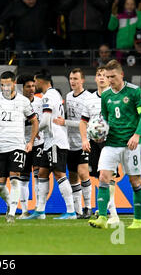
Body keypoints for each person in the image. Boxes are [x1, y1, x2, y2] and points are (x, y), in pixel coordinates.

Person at [89, 60, 141, 229]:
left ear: (121, 75)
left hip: (131, 144)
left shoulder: (134, 91)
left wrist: (137, 135)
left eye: (113, 77)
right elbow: (106, 119)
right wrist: (100, 134)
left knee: (135, 181)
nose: (110, 80)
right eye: (107, 77)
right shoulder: (106, 95)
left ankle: (137, 221)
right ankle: (102, 217)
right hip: (111, 143)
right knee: (103, 178)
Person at [0, 71, 39, 223]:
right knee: (0, 185)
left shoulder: (23, 101)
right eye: (2, 85)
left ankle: (12, 213)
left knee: (15, 179)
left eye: (7, 84)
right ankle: (9, 204)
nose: (5, 87)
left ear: (14, 84)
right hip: (0, 147)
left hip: (17, 145)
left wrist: (31, 141)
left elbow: (34, 121)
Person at [27, 69, 76, 220]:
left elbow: (47, 120)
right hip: (50, 142)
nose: (34, 85)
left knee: (59, 173)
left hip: (55, 141)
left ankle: (71, 211)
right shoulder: (55, 94)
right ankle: (40, 211)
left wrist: (35, 131)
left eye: (35, 82)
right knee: (42, 173)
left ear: (41, 81)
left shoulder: (48, 96)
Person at [80, 66, 120, 226]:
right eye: (99, 75)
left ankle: (113, 214)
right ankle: (105, 209)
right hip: (93, 143)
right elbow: (83, 122)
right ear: (95, 78)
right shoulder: (89, 99)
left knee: (108, 176)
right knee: (100, 177)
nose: (102, 78)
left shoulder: (115, 96)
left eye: (105, 75)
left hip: (111, 142)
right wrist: (84, 139)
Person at [53, 68, 92, 218]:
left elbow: (86, 123)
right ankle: (78, 210)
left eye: (76, 79)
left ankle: (88, 207)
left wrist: (65, 123)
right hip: (70, 143)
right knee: (73, 177)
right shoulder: (68, 96)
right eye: (70, 79)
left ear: (82, 80)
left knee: (83, 173)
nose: (72, 82)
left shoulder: (88, 98)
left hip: (83, 141)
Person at [15, 74, 44, 219]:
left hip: (39, 143)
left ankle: (39, 210)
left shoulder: (40, 102)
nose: (32, 89)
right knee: (23, 178)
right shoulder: (17, 103)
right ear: (22, 88)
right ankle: (25, 210)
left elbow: (45, 121)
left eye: (33, 86)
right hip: (23, 144)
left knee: (39, 176)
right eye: (28, 86)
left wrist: (40, 131)